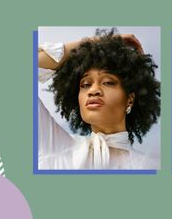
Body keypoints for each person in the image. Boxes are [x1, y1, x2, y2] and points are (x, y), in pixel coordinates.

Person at [38, 29, 160, 170]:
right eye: (85, 85)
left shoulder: (153, 167)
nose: (93, 90)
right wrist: (94, 43)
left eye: (108, 82)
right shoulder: (54, 149)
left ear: (130, 99)